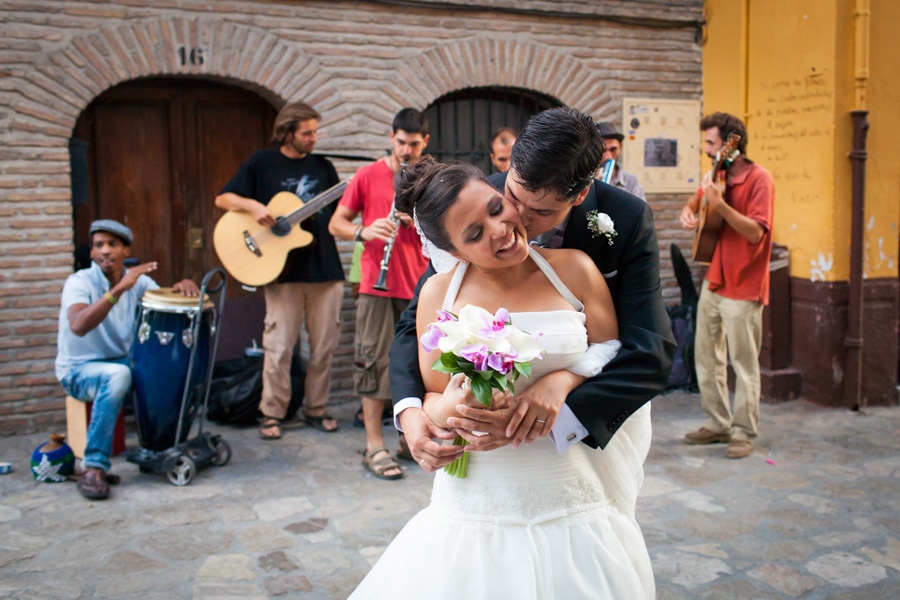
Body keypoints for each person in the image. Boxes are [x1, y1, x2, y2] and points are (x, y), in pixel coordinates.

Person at [350, 158, 654, 599]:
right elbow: (434, 392)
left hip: (568, 483)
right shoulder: (440, 292)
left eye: (496, 208)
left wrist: (564, 380)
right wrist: (448, 412)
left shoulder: (575, 269)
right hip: (480, 487)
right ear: (451, 252)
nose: (498, 229)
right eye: (473, 234)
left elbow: (610, 349)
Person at [390, 107, 674, 471]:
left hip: (587, 434)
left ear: (580, 194)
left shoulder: (626, 219)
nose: (515, 219)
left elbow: (650, 349)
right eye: (512, 195)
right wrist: (413, 411)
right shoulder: (471, 202)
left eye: (539, 211)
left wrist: (560, 408)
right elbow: (417, 323)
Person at [215, 101, 344, 440]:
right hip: (281, 272)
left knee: (323, 347)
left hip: (325, 270)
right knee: (279, 346)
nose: (313, 138)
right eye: (307, 133)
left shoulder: (323, 167)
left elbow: (341, 213)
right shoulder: (262, 163)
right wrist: (254, 206)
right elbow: (223, 199)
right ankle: (271, 413)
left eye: (315, 132)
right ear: (287, 132)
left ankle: (316, 409)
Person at [56, 219, 199, 500]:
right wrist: (120, 288)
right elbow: (79, 325)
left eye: (113, 244)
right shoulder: (79, 282)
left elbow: (165, 300)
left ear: (125, 250)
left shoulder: (139, 282)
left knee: (159, 368)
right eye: (99, 245)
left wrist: (183, 285)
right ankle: (93, 466)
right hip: (78, 371)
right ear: (92, 253)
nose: (105, 251)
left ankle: (162, 446)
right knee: (118, 375)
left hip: (119, 364)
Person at [328, 108, 431, 480]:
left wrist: (417, 223)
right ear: (391, 137)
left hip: (421, 284)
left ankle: (410, 439)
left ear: (425, 142)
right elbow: (336, 223)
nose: (406, 151)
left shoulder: (429, 178)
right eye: (401, 143)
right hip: (376, 282)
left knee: (421, 365)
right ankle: (375, 444)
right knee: (372, 360)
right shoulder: (368, 175)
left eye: (414, 144)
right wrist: (365, 231)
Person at [679, 112, 774, 459]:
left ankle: (743, 432)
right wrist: (689, 211)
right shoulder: (716, 174)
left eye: (710, 143)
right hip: (714, 281)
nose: (705, 149)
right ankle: (717, 423)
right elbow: (696, 199)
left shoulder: (759, 178)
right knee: (706, 357)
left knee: (744, 366)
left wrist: (721, 206)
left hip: (745, 285)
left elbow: (756, 232)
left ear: (731, 144)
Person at [597, 121, 646, 200]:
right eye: (602, 151)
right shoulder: (586, 181)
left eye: (613, 149)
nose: (608, 157)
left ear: (620, 147)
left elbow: (641, 211)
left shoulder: (631, 182)